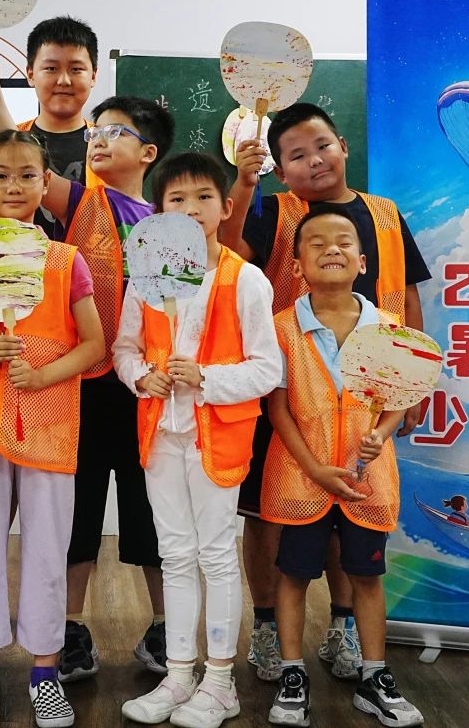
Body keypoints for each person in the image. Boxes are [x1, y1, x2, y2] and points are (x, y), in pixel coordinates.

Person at [220, 102, 430, 683]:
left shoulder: (384, 214)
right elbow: (230, 255)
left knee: (351, 501)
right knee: (267, 513)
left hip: (366, 397)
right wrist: (243, 183)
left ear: (342, 146)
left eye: (321, 146)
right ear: (281, 169)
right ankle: (268, 626)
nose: (313, 161)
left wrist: (412, 384)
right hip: (286, 390)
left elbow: (409, 296)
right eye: (296, 155)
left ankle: (343, 625)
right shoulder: (273, 210)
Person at [0, 130, 104, 728]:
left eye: (27, 174)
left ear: (44, 181)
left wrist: (44, 373)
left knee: (48, 546)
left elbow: (94, 344)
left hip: (49, 422)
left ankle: (44, 671)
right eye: (1, 175)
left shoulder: (66, 260)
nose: (13, 185)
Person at [115, 152, 282, 728]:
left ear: (226, 206)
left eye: (203, 197)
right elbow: (124, 349)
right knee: (175, 553)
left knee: (215, 554)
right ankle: (179, 674)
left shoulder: (246, 279)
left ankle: (220, 681)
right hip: (160, 433)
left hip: (218, 436)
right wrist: (143, 377)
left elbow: (267, 369)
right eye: (176, 200)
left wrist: (205, 378)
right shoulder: (147, 276)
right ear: (158, 212)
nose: (191, 209)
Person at [32, 96, 176, 681]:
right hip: (86, 384)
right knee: (79, 509)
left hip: (148, 385)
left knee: (152, 510)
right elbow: (25, 166)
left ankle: (165, 628)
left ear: (148, 152)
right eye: (96, 130)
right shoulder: (79, 201)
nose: (99, 138)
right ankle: (69, 629)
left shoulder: (171, 221)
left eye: (117, 132)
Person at [262, 207, 423, 728]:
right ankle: (292, 674)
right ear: (296, 265)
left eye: (343, 242)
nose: (331, 249)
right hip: (299, 478)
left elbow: (397, 399)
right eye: (317, 243)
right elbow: (278, 409)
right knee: (293, 576)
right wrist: (313, 467)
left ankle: (374, 676)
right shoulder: (280, 329)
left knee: (366, 577)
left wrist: (382, 432)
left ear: (362, 261)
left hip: (365, 480)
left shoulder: (389, 329)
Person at [0, 15, 99, 232]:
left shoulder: (107, 146)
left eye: (76, 69)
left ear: (93, 75)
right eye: (51, 68)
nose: (64, 80)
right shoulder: (4, 142)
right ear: (30, 74)